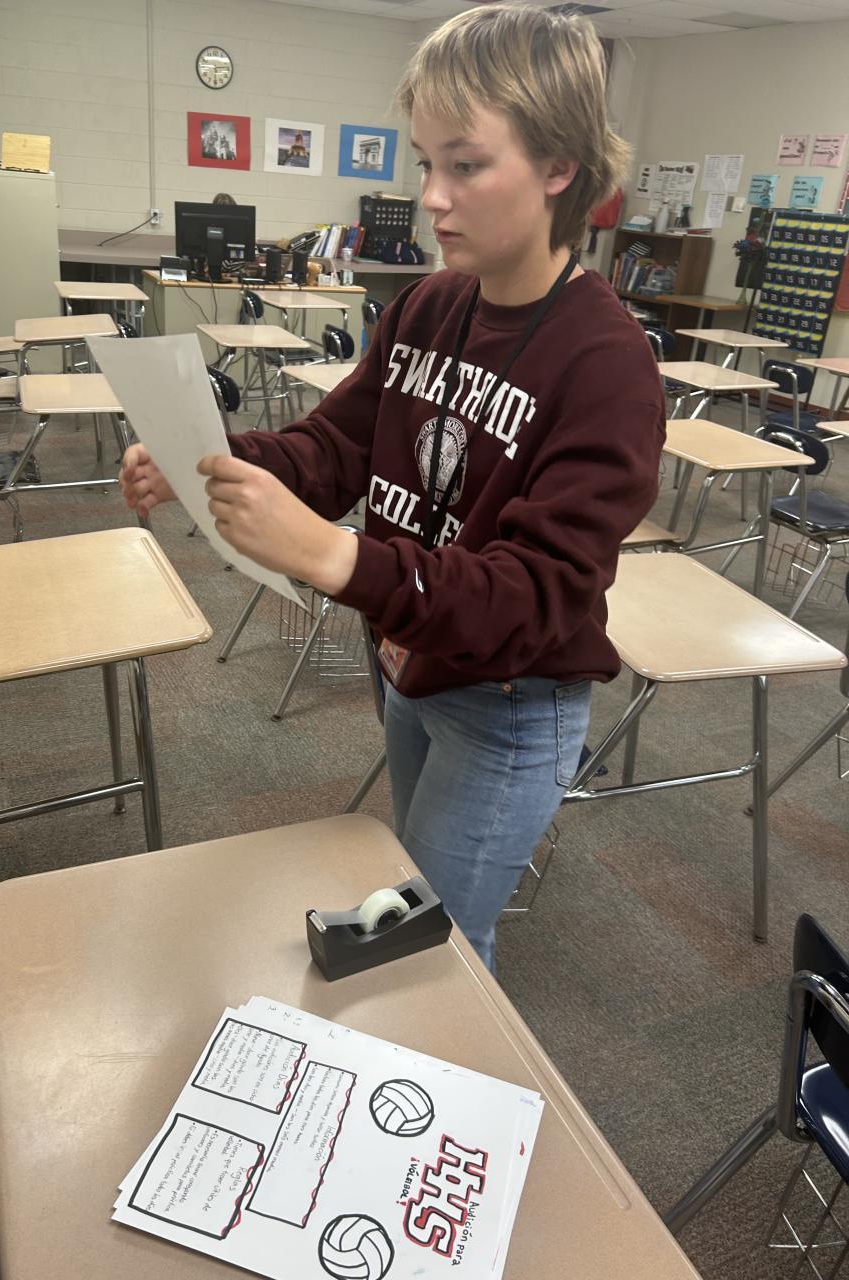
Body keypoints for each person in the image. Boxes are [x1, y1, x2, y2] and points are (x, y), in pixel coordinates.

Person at [120, 3, 665, 973]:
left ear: (558, 166)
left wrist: (335, 555)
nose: (433, 198)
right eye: (425, 164)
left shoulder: (607, 364)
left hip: (508, 703)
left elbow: (534, 594)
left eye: (466, 165)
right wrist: (218, 456)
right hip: (410, 662)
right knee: (414, 899)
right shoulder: (428, 303)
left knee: (436, 951)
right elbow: (338, 444)